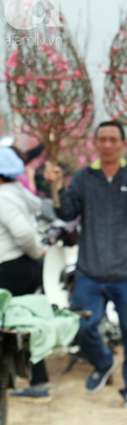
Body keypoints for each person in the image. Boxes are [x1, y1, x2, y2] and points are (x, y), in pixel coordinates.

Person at [44, 120, 127, 407]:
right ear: (95, 143)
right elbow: (66, 212)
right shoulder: (84, 178)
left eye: (113, 139)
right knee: (81, 327)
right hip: (90, 271)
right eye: (102, 139)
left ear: (123, 144)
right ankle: (103, 361)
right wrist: (56, 187)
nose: (108, 144)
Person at [0, 148, 49, 402]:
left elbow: (23, 233)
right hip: (26, 267)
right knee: (27, 324)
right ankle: (38, 383)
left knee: (13, 325)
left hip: (10, 268)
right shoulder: (19, 193)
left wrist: (34, 252)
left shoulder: (2, 197)